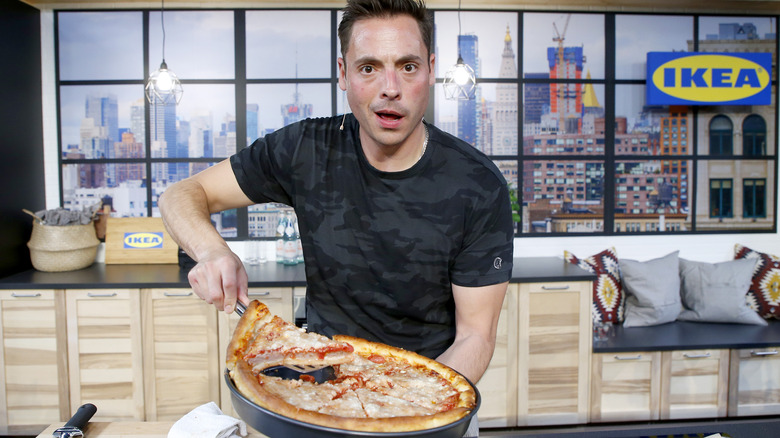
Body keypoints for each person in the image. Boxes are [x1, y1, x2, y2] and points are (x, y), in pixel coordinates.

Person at [159, 0, 513, 386]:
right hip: (322, 391)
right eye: (369, 68)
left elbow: (475, 336)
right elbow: (181, 193)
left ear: (430, 70)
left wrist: (402, 407)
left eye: (408, 67)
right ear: (343, 73)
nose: (390, 89)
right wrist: (212, 251)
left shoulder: (478, 184)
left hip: (431, 395)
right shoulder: (305, 149)